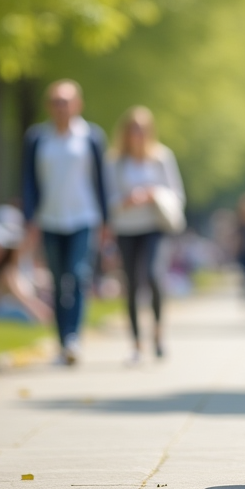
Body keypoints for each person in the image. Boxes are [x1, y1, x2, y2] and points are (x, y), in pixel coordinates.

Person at [22, 79, 111, 365]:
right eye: (56, 102)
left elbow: (101, 182)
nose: (61, 107)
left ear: (77, 104)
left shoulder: (91, 137)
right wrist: (30, 217)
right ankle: (62, 341)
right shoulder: (37, 138)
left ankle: (74, 337)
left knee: (77, 275)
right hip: (50, 218)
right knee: (59, 281)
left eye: (66, 101)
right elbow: (28, 180)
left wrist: (107, 220)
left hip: (84, 217)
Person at [109, 106, 185, 361]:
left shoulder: (162, 157)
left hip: (154, 226)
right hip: (127, 227)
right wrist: (127, 200)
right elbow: (107, 199)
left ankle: (158, 331)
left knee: (153, 275)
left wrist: (154, 194)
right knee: (130, 283)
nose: (138, 134)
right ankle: (135, 342)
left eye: (142, 129)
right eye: (133, 129)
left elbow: (177, 195)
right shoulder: (115, 162)